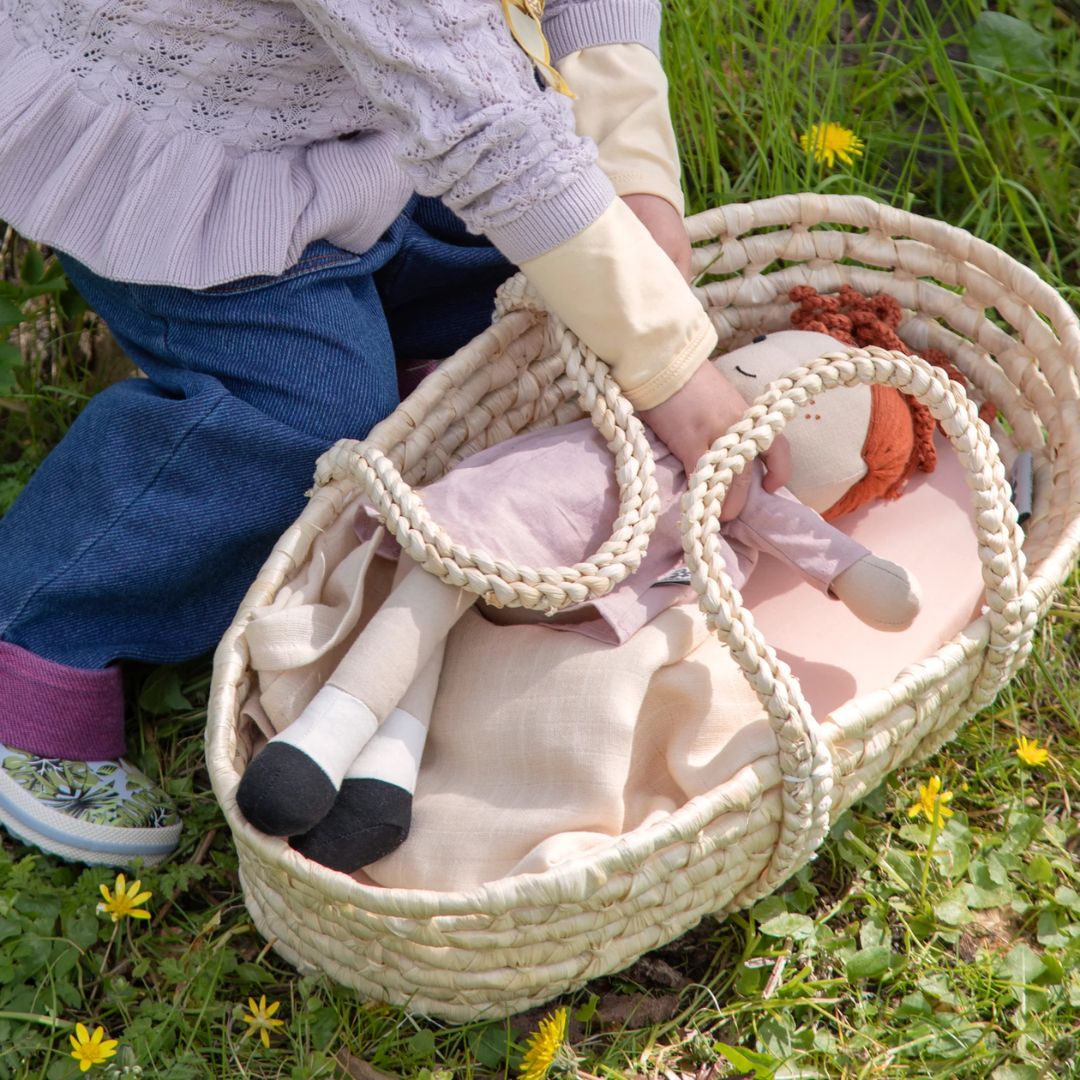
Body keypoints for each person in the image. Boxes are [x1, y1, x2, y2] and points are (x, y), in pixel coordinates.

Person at [0, 0, 787, 868]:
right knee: (304, 411)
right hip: (196, 148)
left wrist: (636, 176)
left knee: (530, 280)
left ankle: (416, 405)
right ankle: (39, 638)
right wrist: (673, 373)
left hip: (367, 109)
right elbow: (483, 131)